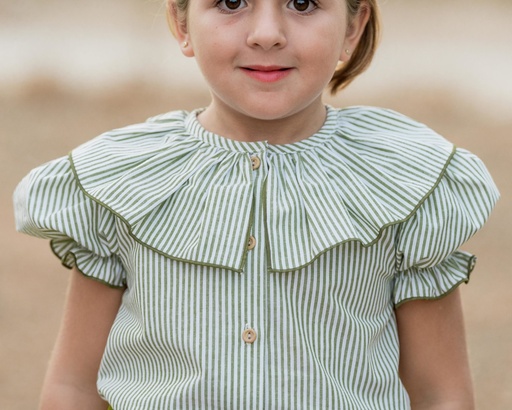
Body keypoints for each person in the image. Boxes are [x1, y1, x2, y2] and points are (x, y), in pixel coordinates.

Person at [13, 0, 499, 408]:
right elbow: (74, 387)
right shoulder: (123, 178)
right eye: (231, 2)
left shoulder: (401, 180)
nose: (267, 34)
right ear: (182, 23)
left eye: (303, 3)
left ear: (353, 27)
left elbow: (440, 395)